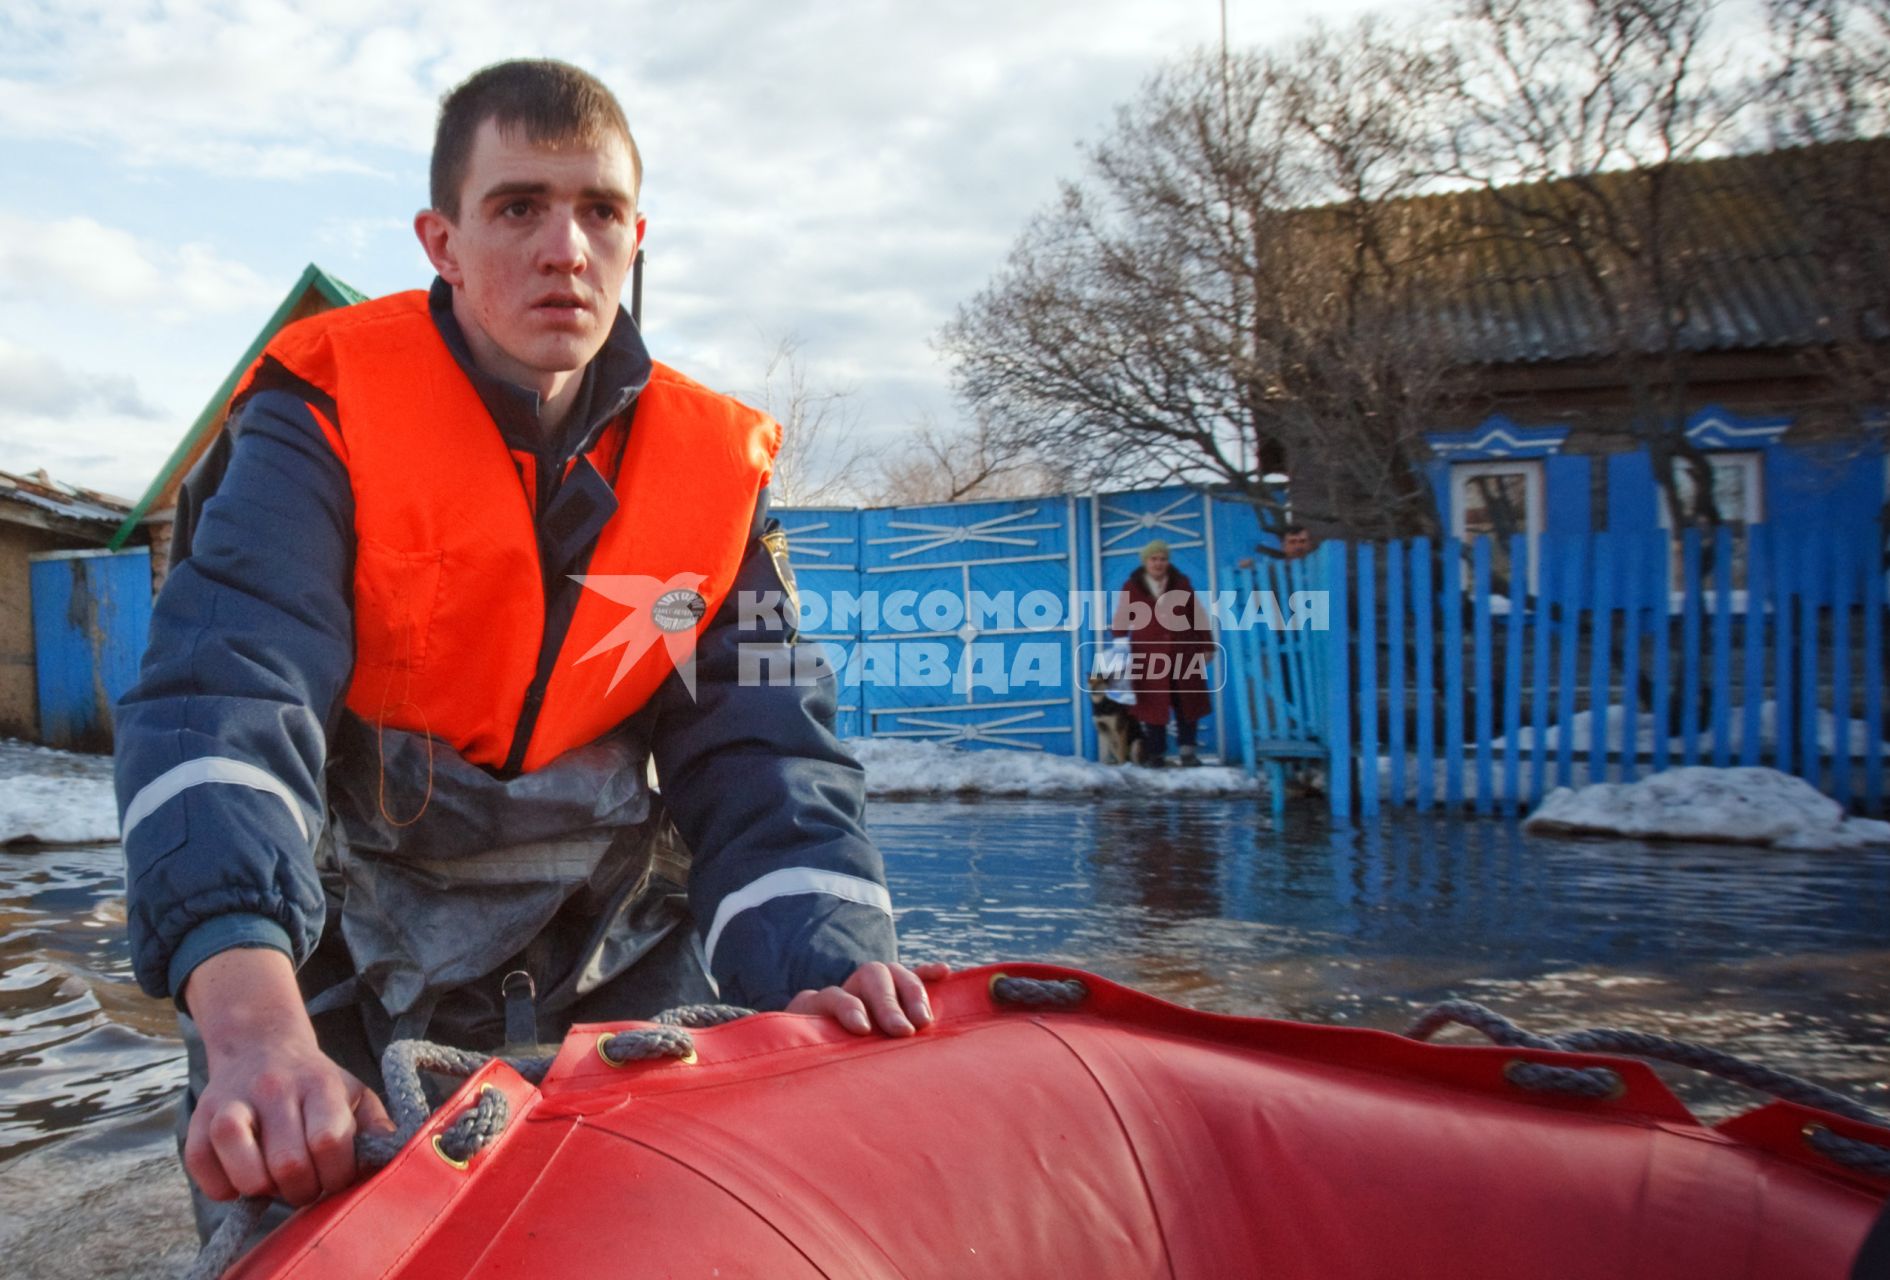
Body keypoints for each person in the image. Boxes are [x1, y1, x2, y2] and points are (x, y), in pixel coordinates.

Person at [113, 59, 941, 1231]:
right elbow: (225, 697)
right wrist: (255, 1034)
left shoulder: (716, 480)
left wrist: (833, 969)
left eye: (599, 211)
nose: (566, 248)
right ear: (441, 240)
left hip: (609, 952)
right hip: (337, 961)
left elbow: (768, 753)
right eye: (519, 207)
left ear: (635, 236)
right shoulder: (318, 416)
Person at [1110, 540, 1214, 766]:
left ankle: (1188, 752)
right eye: (1154, 559)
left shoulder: (1181, 583)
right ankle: (1156, 753)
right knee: (1152, 704)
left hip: (1183, 651)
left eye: (1163, 559)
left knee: (1187, 702)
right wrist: (1119, 639)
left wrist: (1207, 645)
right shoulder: (1132, 586)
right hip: (1148, 655)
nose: (1158, 563)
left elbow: (1198, 615)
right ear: (1145, 561)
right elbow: (1122, 616)